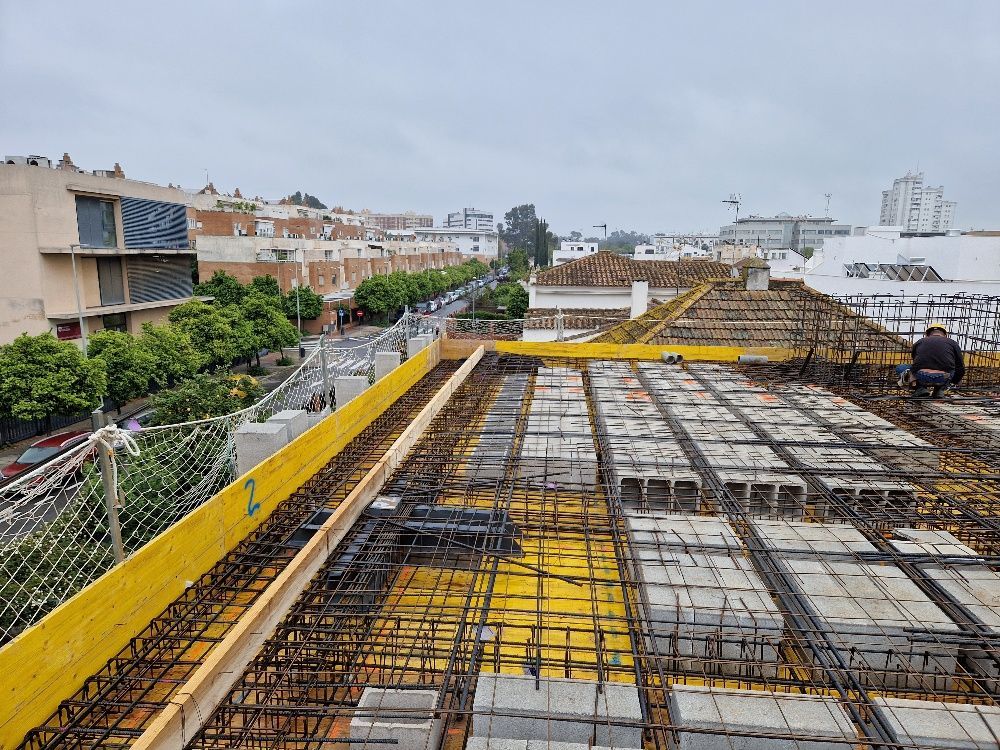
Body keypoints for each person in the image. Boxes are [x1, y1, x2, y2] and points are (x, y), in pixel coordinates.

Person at [896, 323, 965, 398]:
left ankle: (920, 389)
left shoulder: (919, 342)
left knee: (901, 368)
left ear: (927, 334)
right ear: (945, 334)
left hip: (921, 376)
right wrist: (954, 381)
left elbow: (915, 360)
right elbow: (960, 366)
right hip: (944, 377)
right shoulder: (953, 343)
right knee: (954, 369)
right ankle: (940, 390)